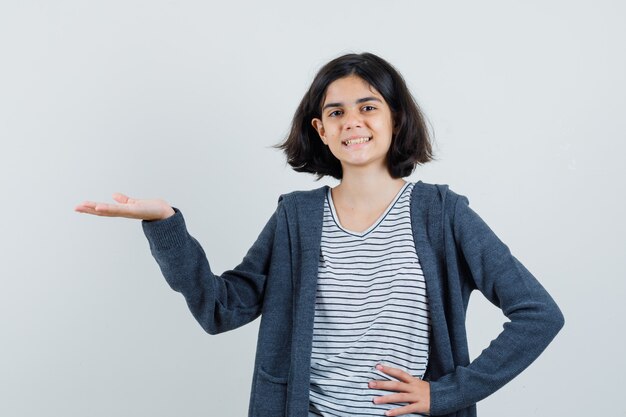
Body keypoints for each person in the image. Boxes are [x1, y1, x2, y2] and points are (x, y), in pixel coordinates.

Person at [75, 52, 564, 417]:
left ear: (395, 117)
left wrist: (447, 392)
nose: (352, 120)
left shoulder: (442, 213)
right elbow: (220, 309)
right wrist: (165, 225)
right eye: (336, 112)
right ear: (321, 130)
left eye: (368, 106)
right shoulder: (296, 218)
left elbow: (538, 314)